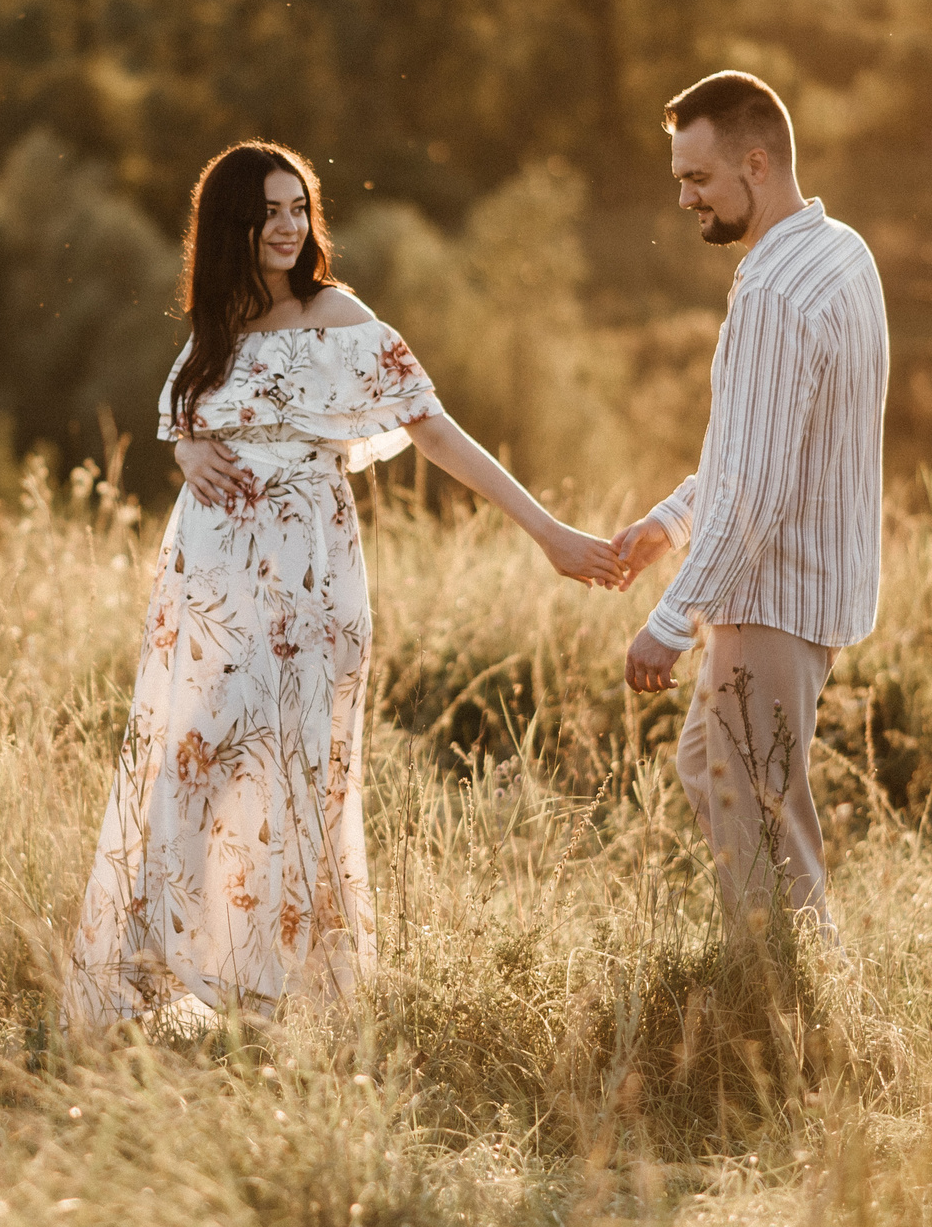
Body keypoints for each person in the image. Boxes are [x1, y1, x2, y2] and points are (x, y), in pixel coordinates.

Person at [64, 141, 623, 1035]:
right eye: (269, 212)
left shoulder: (337, 315)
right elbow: (183, 418)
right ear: (229, 228)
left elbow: (434, 431)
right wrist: (183, 447)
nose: (289, 227)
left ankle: (280, 1001)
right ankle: (168, 983)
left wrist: (550, 532)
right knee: (190, 765)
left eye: (299, 209)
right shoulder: (216, 330)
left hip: (305, 588)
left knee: (290, 775)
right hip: (205, 595)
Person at [612, 71, 888, 946]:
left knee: (760, 817)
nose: (685, 199)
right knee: (714, 769)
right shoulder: (841, 249)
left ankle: (793, 999)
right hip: (818, 588)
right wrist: (668, 520)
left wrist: (668, 620)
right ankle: (789, 987)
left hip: (772, 598)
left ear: (756, 165)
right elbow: (758, 451)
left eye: (697, 179)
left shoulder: (771, 292)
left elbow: (757, 493)